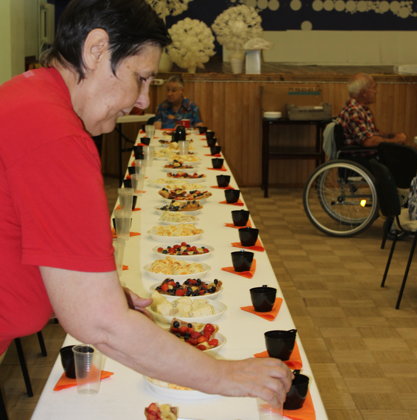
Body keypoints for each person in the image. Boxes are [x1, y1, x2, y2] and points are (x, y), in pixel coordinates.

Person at [0, 0, 291, 408]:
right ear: (96, 50)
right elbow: (100, 325)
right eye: (140, 78)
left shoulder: (27, 94)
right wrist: (223, 374)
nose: (142, 102)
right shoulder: (56, 134)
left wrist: (93, 292)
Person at [337, 73, 408, 150]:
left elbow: (373, 135)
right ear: (364, 93)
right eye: (373, 88)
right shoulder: (354, 111)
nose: (375, 92)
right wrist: (395, 140)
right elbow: (368, 142)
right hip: (360, 155)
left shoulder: (361, 109)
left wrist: (390, 136)